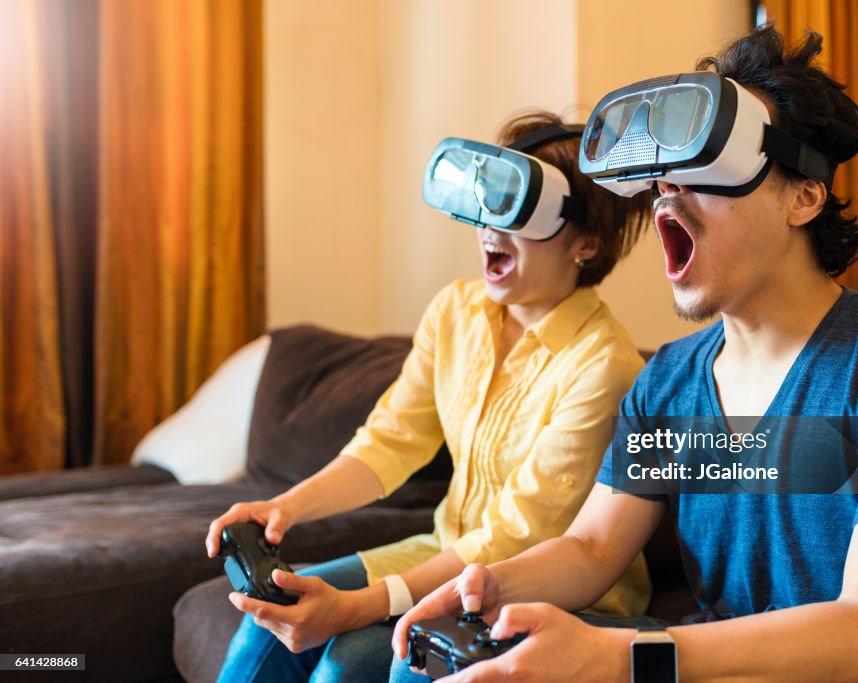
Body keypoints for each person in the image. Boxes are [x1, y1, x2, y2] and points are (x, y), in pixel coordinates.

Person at [393, 26, 858, 682]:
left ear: (805, 197)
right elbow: (593, 547)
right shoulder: (669, 383)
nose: (667, 195)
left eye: (708, 171)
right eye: (663, 180)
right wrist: (490, 585)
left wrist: (621, 655)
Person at [204, 110, 652, 682]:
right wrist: (284, 508)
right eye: (489, 199)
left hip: (545, 586)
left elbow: (516, 536)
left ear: (587, 243)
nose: (491, 227)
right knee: (269, 622)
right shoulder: (456, 311)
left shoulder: (603, 364)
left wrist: (360, 606)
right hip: (444, 549)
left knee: (345, 665)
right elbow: (391, 441)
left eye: (519, 211)